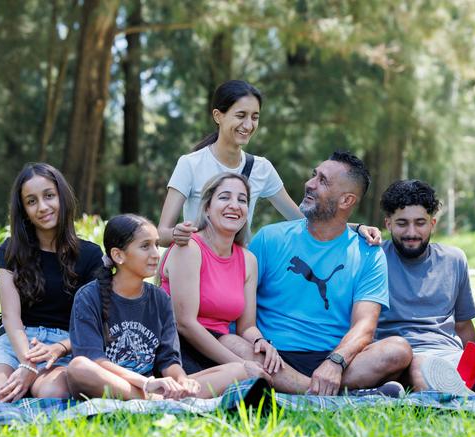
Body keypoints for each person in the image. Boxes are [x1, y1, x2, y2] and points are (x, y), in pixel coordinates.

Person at [221, 150, 412, 396]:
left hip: (334, 358)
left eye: (322, 181)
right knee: (227, 341)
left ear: (346, 201)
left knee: (398, 349)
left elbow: (365, 325)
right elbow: (238, 305)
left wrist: (335, 362)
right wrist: (259, 343)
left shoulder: (369, 253)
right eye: (314, 176)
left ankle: (298, 387)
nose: (309, 184)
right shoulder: (270, 238)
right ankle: (319, 391)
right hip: (270, 355)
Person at [157, 79, 380, 248]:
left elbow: (302, 221)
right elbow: (162, 234)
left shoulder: (261, 169)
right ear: (218, 116)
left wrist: (356, 228)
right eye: (240, 115)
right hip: (195, 269)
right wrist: (178, 234)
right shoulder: (190, 164)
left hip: (235, 274)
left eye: (254, 117)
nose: (248, 124)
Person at [376, 180, 475, 395]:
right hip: (407, 357)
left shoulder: (454, 259)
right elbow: (327, 226)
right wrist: (360, 228)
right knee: (422, 366)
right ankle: (470, 401)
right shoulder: (373, 257)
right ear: (388, 224)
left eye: (420, 223)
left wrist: (474, 362)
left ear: (432, 223)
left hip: (450, 353)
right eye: (402, 223)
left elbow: (463, 326)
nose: (411, 232)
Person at [67, 214, 252, 400]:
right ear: (118, 255)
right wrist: (146, 384)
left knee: (237, 370)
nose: (156, 254)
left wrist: (182, 379)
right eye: (145, 246)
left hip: (157, 387)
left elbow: (168, 359)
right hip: (118, 382)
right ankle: (157, 400)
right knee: (79, 368)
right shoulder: (88, 297)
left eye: (156, 245)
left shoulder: (160, 298)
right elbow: (94, 360)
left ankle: (166, 398)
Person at [0, 163, 102, 403]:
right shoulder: (10, 250)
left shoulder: (91, 255)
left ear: (62, 197)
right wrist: (28, 362)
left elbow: (98, 323)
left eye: (49, 196)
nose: (42, 207)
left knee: (53, 395)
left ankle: (26, 386)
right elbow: (11, 317)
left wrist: (61, 347)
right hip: (15, 342)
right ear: (23, 210)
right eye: (31, 201)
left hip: (64, 345)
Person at [159, 173, 281, 378]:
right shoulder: (188, 247)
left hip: (220, 343)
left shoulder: (248, 259)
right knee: (246, 372)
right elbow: (185, 323)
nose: (235, 205)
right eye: (225, 197)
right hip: (178, 346)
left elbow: (247, 326)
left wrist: (261, 342)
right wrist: (242, 364)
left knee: (263, 359)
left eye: (242, 200)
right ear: (207, 207)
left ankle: (315, 392)